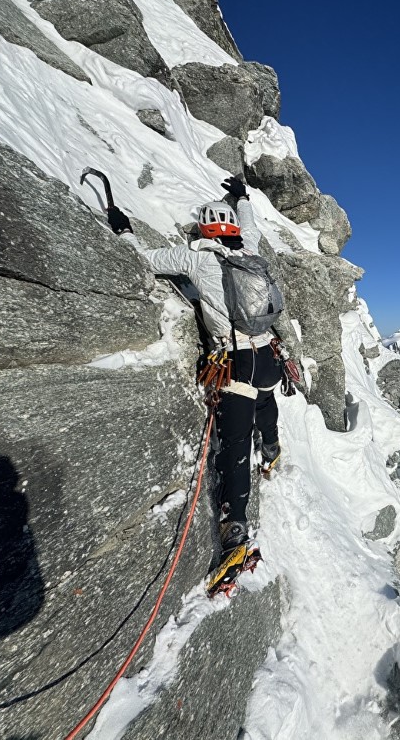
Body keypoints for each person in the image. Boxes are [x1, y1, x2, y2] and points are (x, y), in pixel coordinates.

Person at [106, 176, 281, 571]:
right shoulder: (249, 250)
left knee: (235, 447)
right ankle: (271, 448)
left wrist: (124, 230)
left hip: (235, 362)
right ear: (232, 228)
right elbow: (250, 227)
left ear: (204, 229)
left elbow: (146, 260)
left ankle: (236, 529)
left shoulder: (195, 257)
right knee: (266, 399)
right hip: (269, 353)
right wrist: (242, 198)